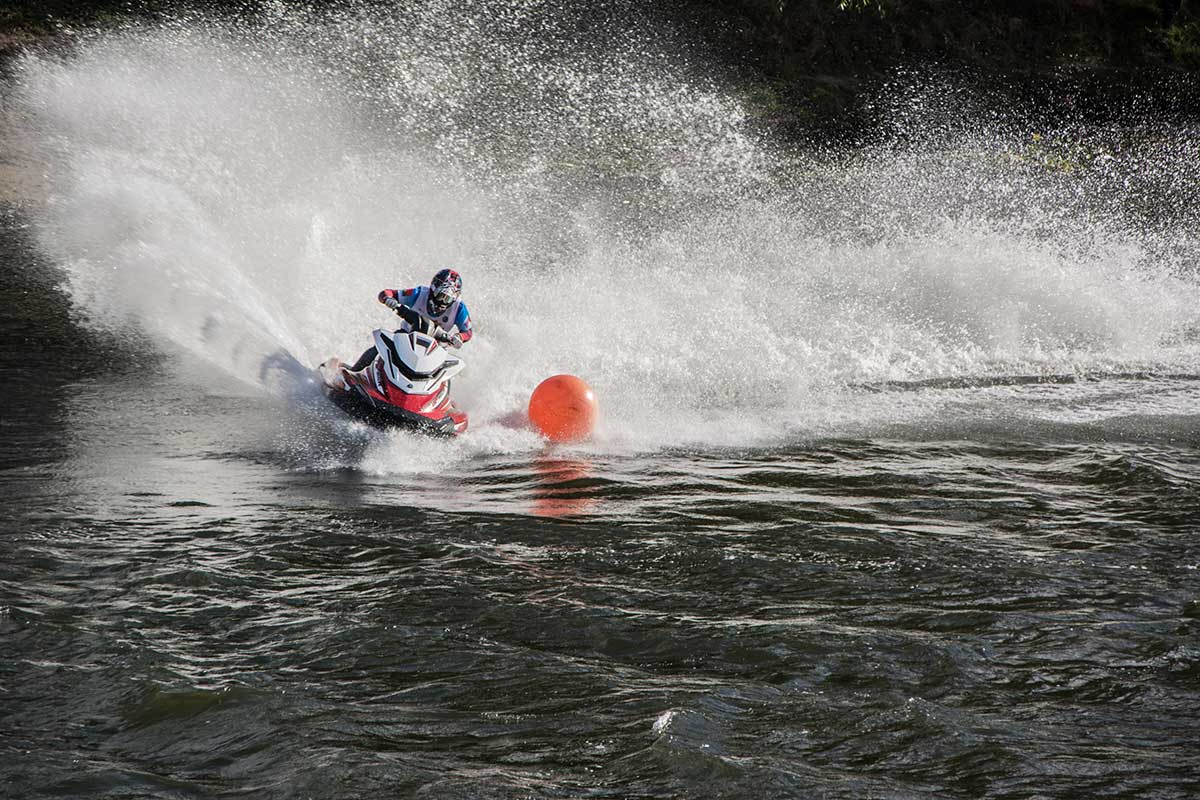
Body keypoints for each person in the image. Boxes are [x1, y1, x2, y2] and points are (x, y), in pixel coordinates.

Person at [348, 269, 474, 372]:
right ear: (433, 289)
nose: (442, 302)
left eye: (447, 299)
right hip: (405, 337)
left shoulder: (459, 308)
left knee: (444, 371)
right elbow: (386, 293)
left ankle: (441, 399)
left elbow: (468, 332)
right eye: (441, 295)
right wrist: (388, 299)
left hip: (436, 346)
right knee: (379, 349)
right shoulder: (419, 293)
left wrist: (460, 337)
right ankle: (354, 373)